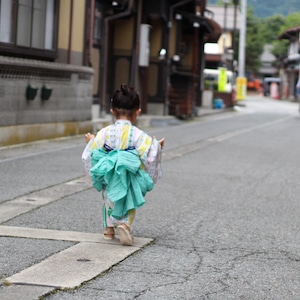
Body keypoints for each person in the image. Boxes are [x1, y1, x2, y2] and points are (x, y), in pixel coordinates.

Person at [82, 83, 165, 246]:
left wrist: (90, 141)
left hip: (110, 172)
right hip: (129, 174)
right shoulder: (138, 134)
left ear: (112, 111)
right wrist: (157, 146)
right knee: (129, 199)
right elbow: (151, 152)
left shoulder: (105, 132)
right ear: (137, 112)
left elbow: (92, 152)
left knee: (108, 197)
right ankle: (125, 225)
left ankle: (108, 229)